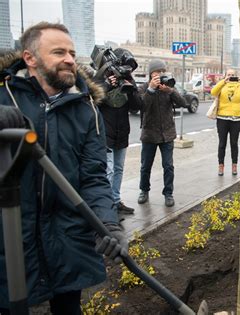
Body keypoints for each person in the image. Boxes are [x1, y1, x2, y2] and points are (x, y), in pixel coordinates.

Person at [0, 22, 127, 314]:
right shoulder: (4, 96)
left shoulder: (86, 109)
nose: (70, 59)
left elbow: (94, 177)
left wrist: (107, 224)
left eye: (71, 52)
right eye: (58, 52)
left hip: (67, 238)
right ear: (30, 58)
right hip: (11, 239)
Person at [97, 48, 142, 215]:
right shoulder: (101, 78)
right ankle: (106, 206)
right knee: (108, 170)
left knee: (118, 168)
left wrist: (130, 87)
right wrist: (108, 85)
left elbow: (137, 106)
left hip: (122, 131)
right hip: (105, 132)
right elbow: (93, 101)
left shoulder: (129, 79)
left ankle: (115, 201)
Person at [137, 59, 186, 207]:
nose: (161, 74)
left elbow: (183, 103)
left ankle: (168, 194)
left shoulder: (168, 86)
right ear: (151, 74)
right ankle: (144, 190)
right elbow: (142, 106)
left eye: (162, 71)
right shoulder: (144, 88)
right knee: (146, 165)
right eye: (158, 72)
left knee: (168, 166)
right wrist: (151, 90)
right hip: (149, 134)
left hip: (167, 134)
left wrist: (170, 91)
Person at [210, 69, 240, 176]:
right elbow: (213, 92)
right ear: (225, 76)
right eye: (229, 75)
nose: (231, 77)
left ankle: (234, 165)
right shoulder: (222, 85)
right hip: (222, 118)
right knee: (222, 144)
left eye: (233, 75)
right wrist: (223, 81)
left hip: (236, 119)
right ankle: (221, 166)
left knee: (234, 144)